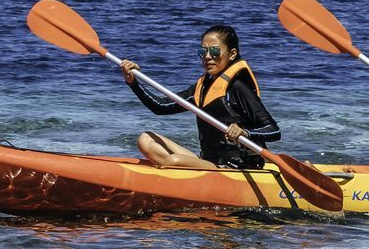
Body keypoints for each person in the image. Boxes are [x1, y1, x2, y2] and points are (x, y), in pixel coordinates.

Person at [120, 24, 282, 169]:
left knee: (175, 161)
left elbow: (274, 130)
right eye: (203, 51)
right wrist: (133, 82)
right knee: (145, 140)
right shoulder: (201, 88)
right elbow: (160, 107)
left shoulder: (238, 87)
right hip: (209, 162)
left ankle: (176, 172)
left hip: (236, 167)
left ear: (232, 54)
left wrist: (245, 133)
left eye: (214, 51)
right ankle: (185, 170)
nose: (207, 57)